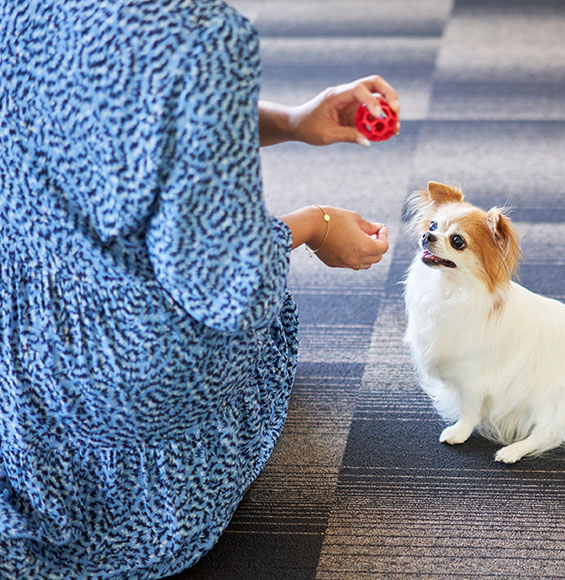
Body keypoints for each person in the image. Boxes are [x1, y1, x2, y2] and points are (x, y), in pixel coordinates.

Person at [0, 0, 395, 577]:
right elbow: (229, 285)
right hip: (127, 377)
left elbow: (118, 128)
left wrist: (287, 121)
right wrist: (317, 224)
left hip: (23, 331)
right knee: (265, 313)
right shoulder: (201, 35)